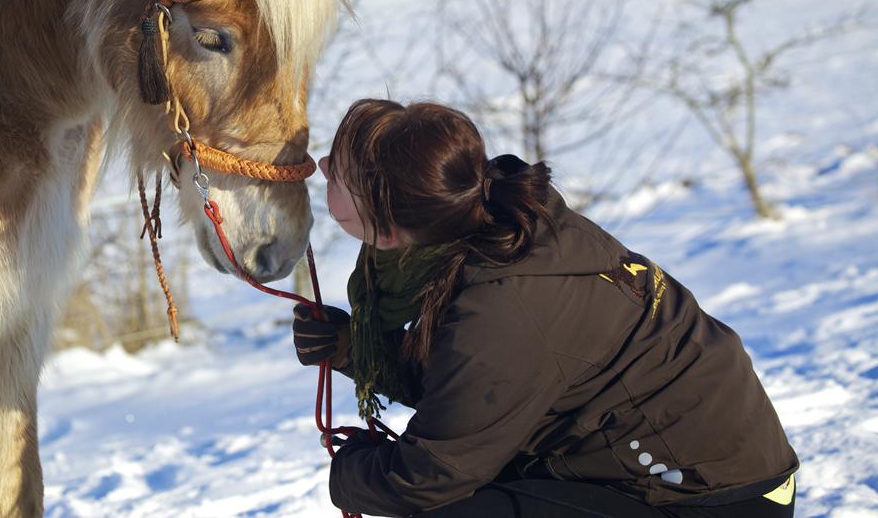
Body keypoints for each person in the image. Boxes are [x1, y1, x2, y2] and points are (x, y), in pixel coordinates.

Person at [292, 99, 798, 518]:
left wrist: (350, 470)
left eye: (341, 171)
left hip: (711, 496)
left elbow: (428, 476)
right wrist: (354, 352)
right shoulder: (490, 221)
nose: (323, 168)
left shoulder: (505, 302)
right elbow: (480, 389)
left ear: (387, 222)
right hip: (663, 466)